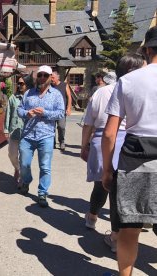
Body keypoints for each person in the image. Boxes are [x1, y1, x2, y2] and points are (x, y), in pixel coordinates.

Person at [102, 26, 157, 276]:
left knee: (130, 230)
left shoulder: (128, 81)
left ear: (146, 50)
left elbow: (110, 133)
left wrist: (107, 170)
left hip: (134, 162)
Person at [80, 54, 144, 253]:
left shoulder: (101, 92)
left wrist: (84, 145)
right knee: (120, 190)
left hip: (103, 139)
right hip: (131, 141)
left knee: (103, 184)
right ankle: (116, 236)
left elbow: (89, 121)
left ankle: (92, 217)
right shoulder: (139, 90)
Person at [17, 65, 64, 207]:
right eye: (40, 75)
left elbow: (61, 113)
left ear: (50, 78)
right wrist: (26, 113)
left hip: (46, 136)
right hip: (28, 135)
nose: (42, 77)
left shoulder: (56, 95)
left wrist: (45, 113)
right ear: (37, 77)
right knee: (24, 164)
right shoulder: (29, 93)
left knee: (45, 167)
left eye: (45, 75)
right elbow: (20, 109)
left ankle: (42, 193)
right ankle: (26, 180)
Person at [3, 76, 30, 186]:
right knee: (12, 155)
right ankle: (17, 168)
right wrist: (6, 129)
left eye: (22, 83)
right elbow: (8, 114)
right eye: (18, 83)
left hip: (26, 133)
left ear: (27, 85)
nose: (19, 85)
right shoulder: (12, 98)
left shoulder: (30, 98)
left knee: (24, 156)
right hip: (14, 131)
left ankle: (22, 180)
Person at [51, 71, 72, 151]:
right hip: (51, 110)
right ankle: (52, 142)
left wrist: (69, 108)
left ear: (57, 78)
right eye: (51, 77)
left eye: (53, 77)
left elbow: (69, 97)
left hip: (61, 110)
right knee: (51, 127)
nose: (51, 79)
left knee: (61, 126)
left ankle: (62, 141)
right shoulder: (49, 86)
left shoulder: (64, 85)